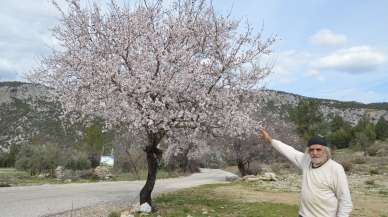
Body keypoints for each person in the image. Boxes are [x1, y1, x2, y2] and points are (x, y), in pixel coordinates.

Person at [259, 129, 352, 217]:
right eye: (311, 150)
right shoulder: (306, 161)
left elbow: (345, 200)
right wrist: (270, 140)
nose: (314, 153)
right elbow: (289, 151)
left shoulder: (335, 169)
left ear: (326, 151)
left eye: (318, 149)